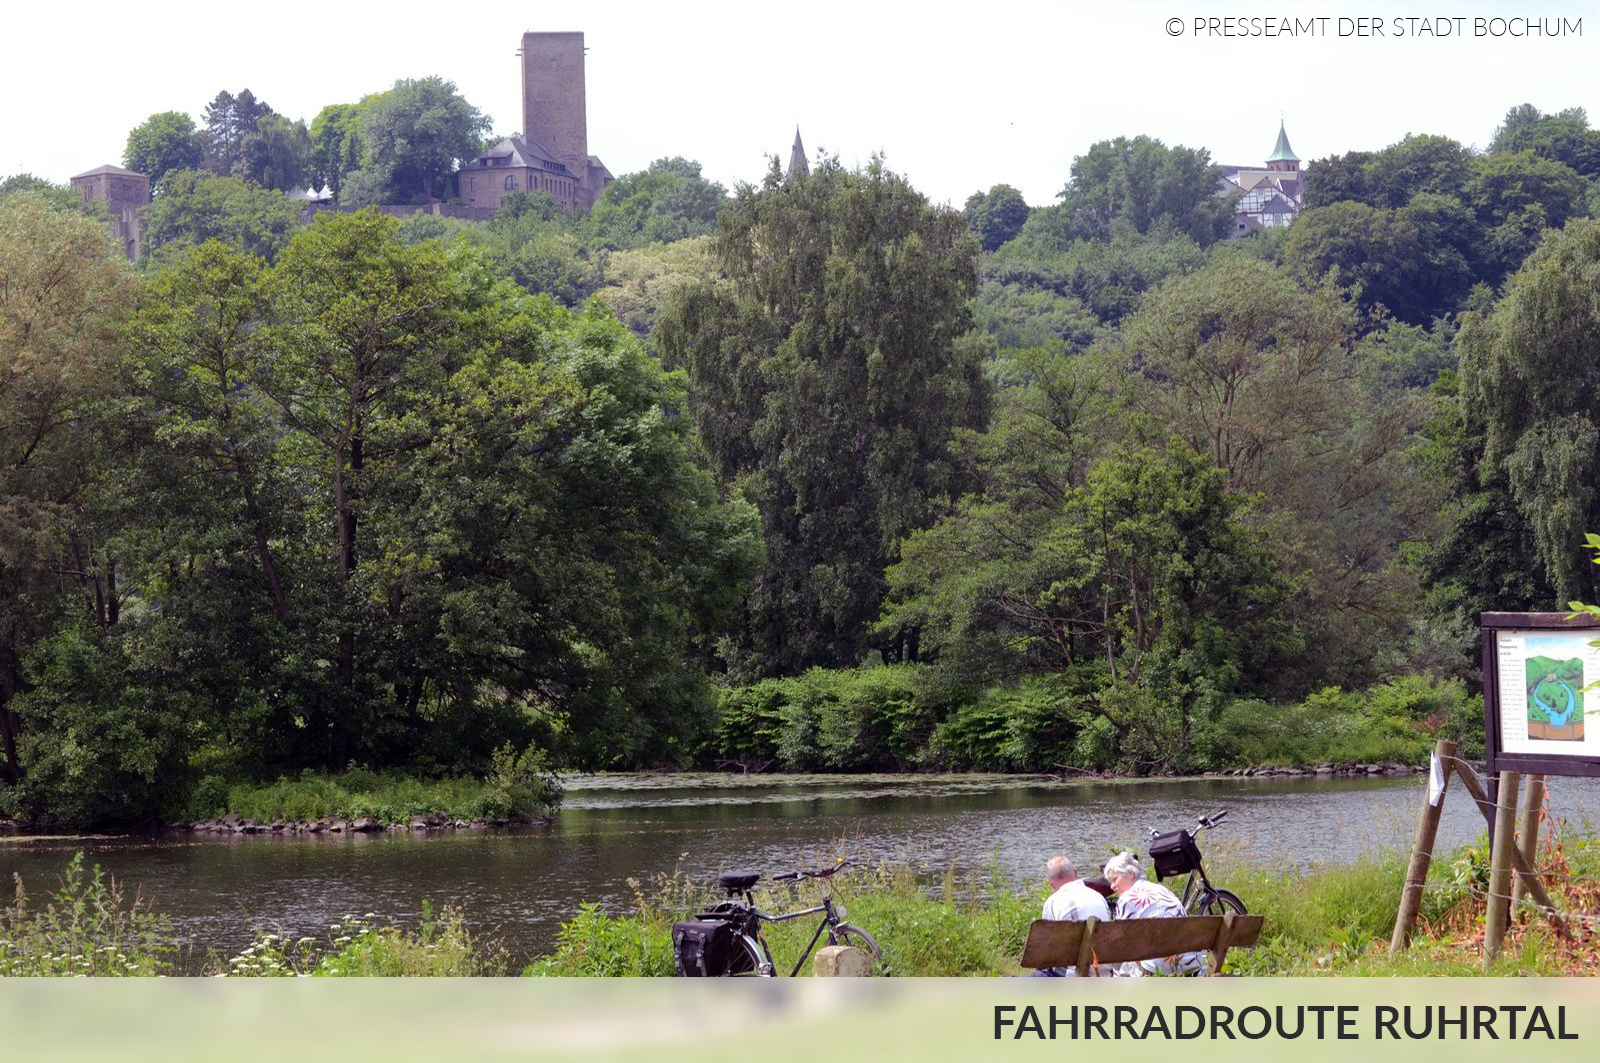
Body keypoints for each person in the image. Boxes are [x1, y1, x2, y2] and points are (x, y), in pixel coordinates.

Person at [1102, 850, 1207, 976]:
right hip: (1191, 962)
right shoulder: (1160, 889)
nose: (1112, 886)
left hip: (1159, 968)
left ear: (1130, 874)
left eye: (1115, 879)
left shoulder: (1127, 898)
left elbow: (1121, 942)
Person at [1030, 853, 1111, 977]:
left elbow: (1047, 947)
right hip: (1103, 973)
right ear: (1075, 872)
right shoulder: (1098, 896)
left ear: (1050, 882)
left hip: (1070, 975)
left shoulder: (1052, 902)